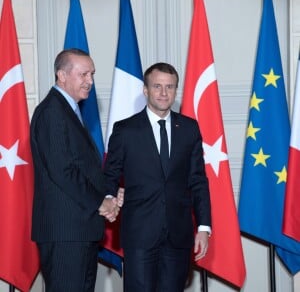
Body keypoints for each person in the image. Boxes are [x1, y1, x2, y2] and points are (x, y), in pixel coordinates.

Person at [104, 62, 212, 292]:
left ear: (176, 90)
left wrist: (203, 227)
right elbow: (110, 174)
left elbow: (198, 181)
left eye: (170, 87)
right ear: (146, 90)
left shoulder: (190, 129)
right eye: (157, 86)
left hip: (179, 235)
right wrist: (109, 198)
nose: (164, 93)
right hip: (139, 234)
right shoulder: (125, 130)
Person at [30, 48, 123, 292]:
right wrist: (101, 203)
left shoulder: (68, 110)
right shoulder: (52, 112)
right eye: (83, 74)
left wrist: (109, 196)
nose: (90, 81)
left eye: (92, 74)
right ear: (61, 75)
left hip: (79, 230)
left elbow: (84, 168)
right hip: (65, 234)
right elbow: (64, 171)